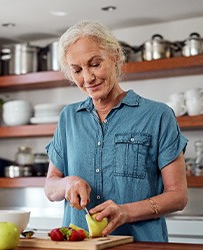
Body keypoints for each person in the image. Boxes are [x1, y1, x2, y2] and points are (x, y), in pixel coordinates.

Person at [44, 20, 188, 242]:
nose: (88, 78)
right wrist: (67, 183)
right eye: (77, 70)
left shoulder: (158, 115)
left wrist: (126, 212)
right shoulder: (68, 118)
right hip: (81, 245)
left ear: (115, 56)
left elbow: (178, 196)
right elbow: (51, 187)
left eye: (95, 64)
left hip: (142, 245)